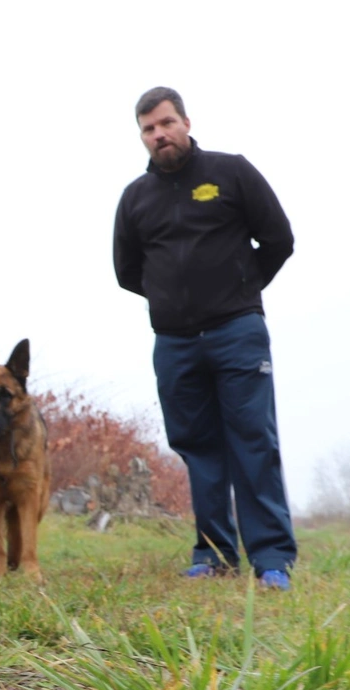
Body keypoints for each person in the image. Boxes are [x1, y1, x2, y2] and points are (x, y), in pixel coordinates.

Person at [113, 86, 296, 591]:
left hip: (237, 332)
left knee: (253, 441)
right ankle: (215, 555)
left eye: (167, 123)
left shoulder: (230, 171)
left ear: (186, 123)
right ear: (142, 137)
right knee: (199, 447)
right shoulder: (135, 198)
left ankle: (273, 559)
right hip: (174, 342)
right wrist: (172, 301)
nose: (159, 134)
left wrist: (240, 288)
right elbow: (127, 272)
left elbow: (279, 238)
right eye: (149, 129)